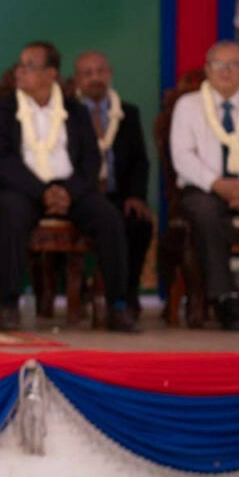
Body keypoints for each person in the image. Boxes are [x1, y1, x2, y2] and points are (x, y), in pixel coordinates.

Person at [0, 41, 139, 333]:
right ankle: (9, 305)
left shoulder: (75, 110)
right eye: (20, 65)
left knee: (108, 217)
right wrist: (42, 192)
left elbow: (91, 160)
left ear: (51, 74)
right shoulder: (0, 111)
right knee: (9, 213)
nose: (19, 71)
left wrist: (67, 192)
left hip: (70, 189)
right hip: (22, 188)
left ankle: (117, 306)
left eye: (29, 66)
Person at [170, 40, 239, 330]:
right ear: (207, 70)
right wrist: (218, 184)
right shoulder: (188, 106)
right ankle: (224, 297)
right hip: (204, 188)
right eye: (219, 64)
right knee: (206, 214)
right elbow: (182, 156)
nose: (226, 71)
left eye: (234, 65)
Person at [73, 51, 153, 314]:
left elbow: (140, 161)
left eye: (100, 71)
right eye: (87, 73)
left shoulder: (128, 113)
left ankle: (126, 296)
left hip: (118, 195)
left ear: (110, 74)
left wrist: (136, 196)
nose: (95, 78)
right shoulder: (65, 112)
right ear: (77, 79)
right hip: (79, 197)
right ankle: (81, 292)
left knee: (139, 223)